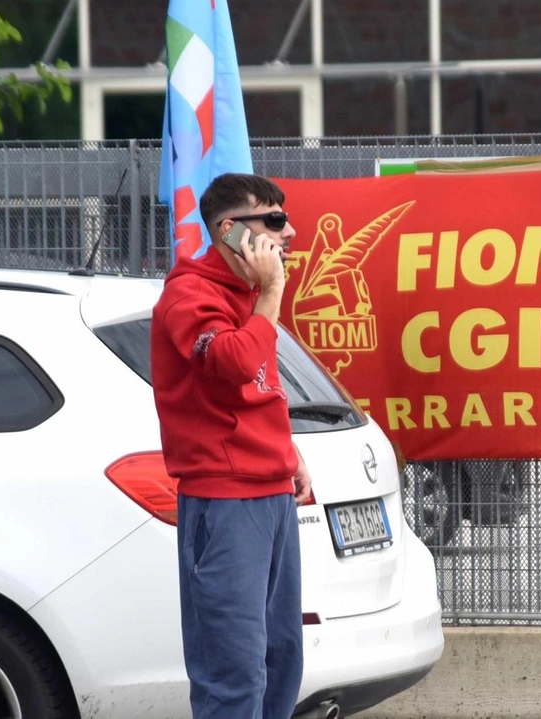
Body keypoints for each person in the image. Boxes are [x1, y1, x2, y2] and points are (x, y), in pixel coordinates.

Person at [150, 172, 314, 719]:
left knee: (281, 658)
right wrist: (270, 294)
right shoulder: (189, 295)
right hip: (224, 503)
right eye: (272, 220)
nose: (287, 231)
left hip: (270, 496)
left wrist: (289, 453)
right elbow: (233, 363)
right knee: (234, 672)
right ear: (229, 229)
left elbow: (259, 390)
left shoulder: (248, 296)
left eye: (284, 217)